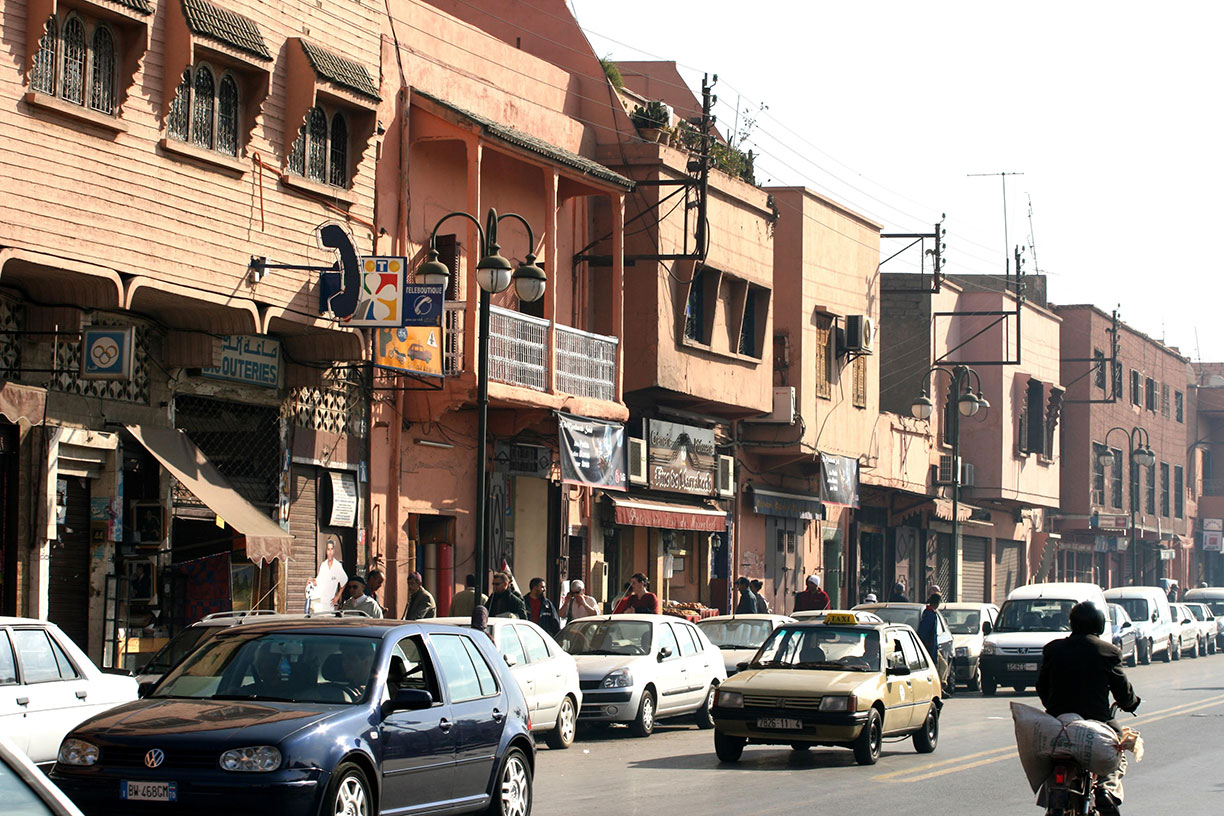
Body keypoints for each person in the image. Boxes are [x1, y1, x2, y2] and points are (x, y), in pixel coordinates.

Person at [1037, 602, 1141, 816]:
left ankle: (1053, 796)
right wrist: (1131, 703)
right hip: (1098, 723)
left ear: (1072, 624)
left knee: (1050, 762)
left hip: (1059, 725)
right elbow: (1123, 694)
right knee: (1118, 752)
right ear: (1100, 625)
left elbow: (1042, 687)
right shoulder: (1108, 652)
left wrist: (1054, 707)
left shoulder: (1053, 649)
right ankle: (1106, 790)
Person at [917, 592, 952, 696]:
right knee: (936, 669)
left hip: (933, 647)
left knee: (943, 666)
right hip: (929, 647)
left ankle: (941, 686)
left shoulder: (931, 613)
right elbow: (923, 633)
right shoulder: (929, 615)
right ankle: (938, 690)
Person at [306, 538, 347, 614]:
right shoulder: (323, 565)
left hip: (329, 604)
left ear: (334, 550)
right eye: (328, 549)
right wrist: (311, 580)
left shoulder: (337, 566)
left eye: (331, 549)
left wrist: (337, 597)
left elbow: (344, 582)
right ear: (326, 551)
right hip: (319, 601)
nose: (330, 552)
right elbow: (318, 582)